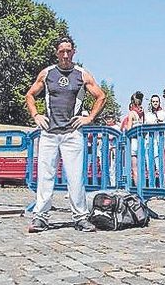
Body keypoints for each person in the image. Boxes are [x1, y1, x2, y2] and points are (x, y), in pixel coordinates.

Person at [25, 35, 106, 233]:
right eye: (62, 51)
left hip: (72, 133)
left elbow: (101, 96)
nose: (65, 54)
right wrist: (36, 115)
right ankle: (40, 218)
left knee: (75, 177)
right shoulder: (47, 73)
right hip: (49, 133)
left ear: (74, 52)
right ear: (56, 52)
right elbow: (29, 94)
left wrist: (89, 118)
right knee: (45, 176)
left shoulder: (82, 74)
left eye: (69, 50)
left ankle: (80, 217)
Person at [122, 92, 145, 186]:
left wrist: (124, 128)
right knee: (141, 168)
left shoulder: (131, 113)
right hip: (141, 141)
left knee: (134, 169)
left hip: (133, 141)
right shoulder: (142, 113)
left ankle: (137, 189)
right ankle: (143, 187)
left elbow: (129, 128)